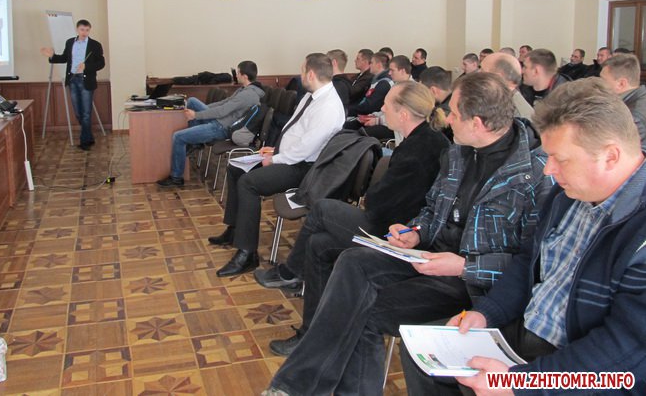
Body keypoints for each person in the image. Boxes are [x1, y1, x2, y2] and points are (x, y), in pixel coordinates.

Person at [262, 72, 553, 396]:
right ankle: (296, 386)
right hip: (430, 257)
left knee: (360, 310)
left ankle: (295, 386)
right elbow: (432, 209)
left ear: (478, 123)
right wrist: (414, 231)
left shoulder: (535, 175)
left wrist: (463, 266)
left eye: (455, 114)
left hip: (472, 284)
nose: (447, 119)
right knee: (353, 261)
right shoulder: (458, 154)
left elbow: (532, 265)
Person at [403, 78, 646, 396]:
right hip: (528, 334)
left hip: (584, 370)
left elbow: (625, 351)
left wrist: (520, 383)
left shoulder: (636, 229)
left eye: (561, 159)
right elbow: (528, 262)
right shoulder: (568, 196)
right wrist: (487, 312)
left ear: (610, 156)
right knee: (426, 359)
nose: (548, 170)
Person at [256, 82, 450, 355]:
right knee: (318, 244)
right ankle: (312, 335)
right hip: (391, 222)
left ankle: (290, 273)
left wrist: (373, 196)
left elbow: (385, 204)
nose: (382, 107)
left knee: (322, 209)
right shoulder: (422, 140)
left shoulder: (421, 150)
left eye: (387, 104)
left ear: (404, 114)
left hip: (394, 234)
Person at [211, 53, 345, 277]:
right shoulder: (312, 97)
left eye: (302, 71)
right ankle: (235, 230)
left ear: (311, 74)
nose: (300, 75)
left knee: (248, 183)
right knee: (236, 168)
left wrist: (274, 159)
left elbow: (306, 149)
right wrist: (274, 150)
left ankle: (247, 253)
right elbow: (295, 132)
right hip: (289, 156)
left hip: (304, 168)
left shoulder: (328, 106)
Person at [156, 61, 264, 187]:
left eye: (238, 72)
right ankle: (196, 143)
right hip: (220, 121)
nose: (236, 75)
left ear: (244, 76)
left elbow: (222, 111)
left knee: (178, 137)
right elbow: (224, 103)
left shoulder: (247, 95)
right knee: (192, 101)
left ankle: (176, 177)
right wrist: (204, 109)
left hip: (221, 128)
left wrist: (196, 115)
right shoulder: (244, 90)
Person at [41, 19, 105, 150]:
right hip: (73, 80)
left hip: (86, 80)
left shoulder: (95, 45)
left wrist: (87, 66)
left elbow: (101, 63)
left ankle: (85, 142)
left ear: (89, 30)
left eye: (87, 30)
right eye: (82, 30)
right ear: (77, 29)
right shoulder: (70, 42)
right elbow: (64, 58)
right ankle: (89, 137)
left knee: (86, 113)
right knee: (78, 113)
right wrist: (52, 56)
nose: (84, 32)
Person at [358, 55, 411, 140]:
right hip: (389, 123)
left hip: (398, 130)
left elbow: (400, 117)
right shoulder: (396, 86)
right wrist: (373, 115)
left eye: (392, 70)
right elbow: (387, 109)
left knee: (363, 134)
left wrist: (377, 120)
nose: (389, 73)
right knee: (358, 127)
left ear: (402, 71)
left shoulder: (412, 90)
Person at [600, 53, 646, 145]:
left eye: (603, 80)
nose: (600, 85)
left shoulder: (633, 117)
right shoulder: (638, 98)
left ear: (621, 84)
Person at [481, 52, 535, 119]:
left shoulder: (517, 116)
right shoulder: (500, 101)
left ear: (498, 77)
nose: (478, 75)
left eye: (482, 71)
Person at [346, 52, 392, 119]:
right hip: (364, 113)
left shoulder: (384, 83)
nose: (369, 65)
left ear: (379, 65)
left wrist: (347, 110)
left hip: (372, 117)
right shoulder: (376, 80)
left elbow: (369, 107)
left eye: (371, 63)